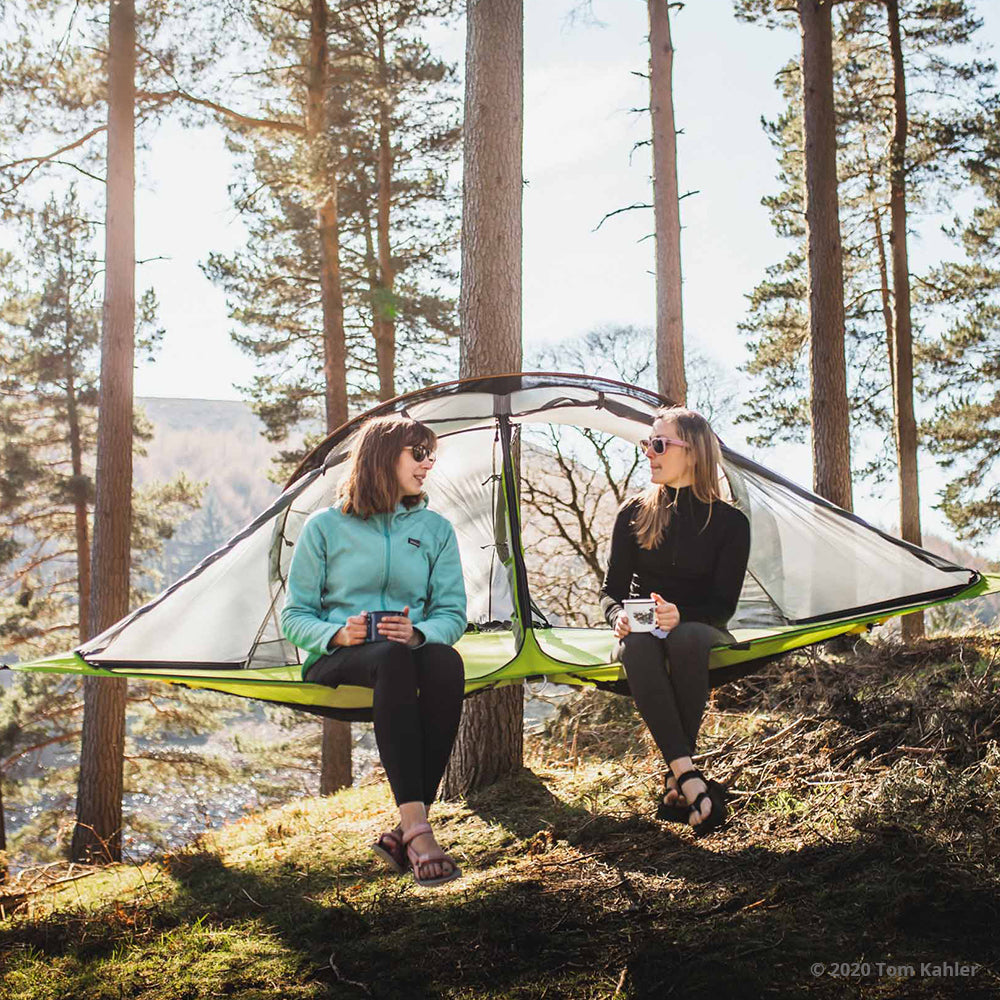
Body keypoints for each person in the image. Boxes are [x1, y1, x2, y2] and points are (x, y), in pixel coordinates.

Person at [281, 415, 468, 886]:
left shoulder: (436, 530)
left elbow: (452, 613)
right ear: (384, 458)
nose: (428, 464)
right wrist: (336, 634)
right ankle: (420, 833)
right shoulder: (324, 528)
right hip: (338, 657)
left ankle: (408, 829)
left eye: (431, 455)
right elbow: (294, 617)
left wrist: (418, 633)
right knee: (391, 658)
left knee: (445, 661)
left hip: (405, 652)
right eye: (418, 454)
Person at [599, 406, 750, 837]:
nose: (649, 452)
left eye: (660, 444)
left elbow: (723, 605)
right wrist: (618, 615)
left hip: (700, 625)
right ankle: (688, 777)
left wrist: (682, 614)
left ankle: (677, 778)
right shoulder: (633, 513)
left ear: (694, 452)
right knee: (638, 643)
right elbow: (610, 591)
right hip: (641, 630)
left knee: (685, 638)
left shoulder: (731, 523)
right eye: (648, 444)